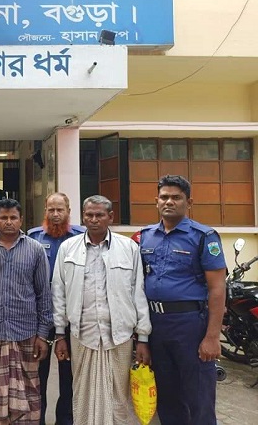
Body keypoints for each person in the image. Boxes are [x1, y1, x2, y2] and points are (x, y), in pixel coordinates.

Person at [52, 195, 152, 425]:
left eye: (99, 215)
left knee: (119, 398)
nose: (94, 220)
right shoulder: (68, 248)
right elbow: (58, 292)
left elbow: (138, 293)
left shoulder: (128, 248)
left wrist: (143, 337)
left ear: (111, 217)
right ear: (83, 217)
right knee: (82, 395)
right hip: (81, 335)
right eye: (89, 215)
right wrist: (59, 334)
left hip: (119, 336)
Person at [139, 175, 226, 425]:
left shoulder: (203, 236)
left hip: (190, 325)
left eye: (176, 197)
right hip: (156, 325)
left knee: (198, 397)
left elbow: (217, 289)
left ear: (189, 202)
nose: (169, 202)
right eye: (164, 197)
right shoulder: (145, 236)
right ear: (156, 201)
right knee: (167, 397)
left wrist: (212, 337)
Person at [0, 198, 53, 424]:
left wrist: (42, 334)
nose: (8, 222)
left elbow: (43, 293)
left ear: (21, 220)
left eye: (13, 218)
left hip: (26, 330)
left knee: (28, 386)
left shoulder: (35, 249)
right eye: (3, 218)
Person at [27, 193, 85, 425]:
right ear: (45, 211)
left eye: (60, 210)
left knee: (68, 374)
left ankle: (65, 420)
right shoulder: (33, 237)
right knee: (37, 374)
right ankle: (37, 419)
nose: (55, 214)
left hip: (70, 317)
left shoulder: (80, 237)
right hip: (40, 317)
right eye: (51, 210)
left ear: (68, 211)